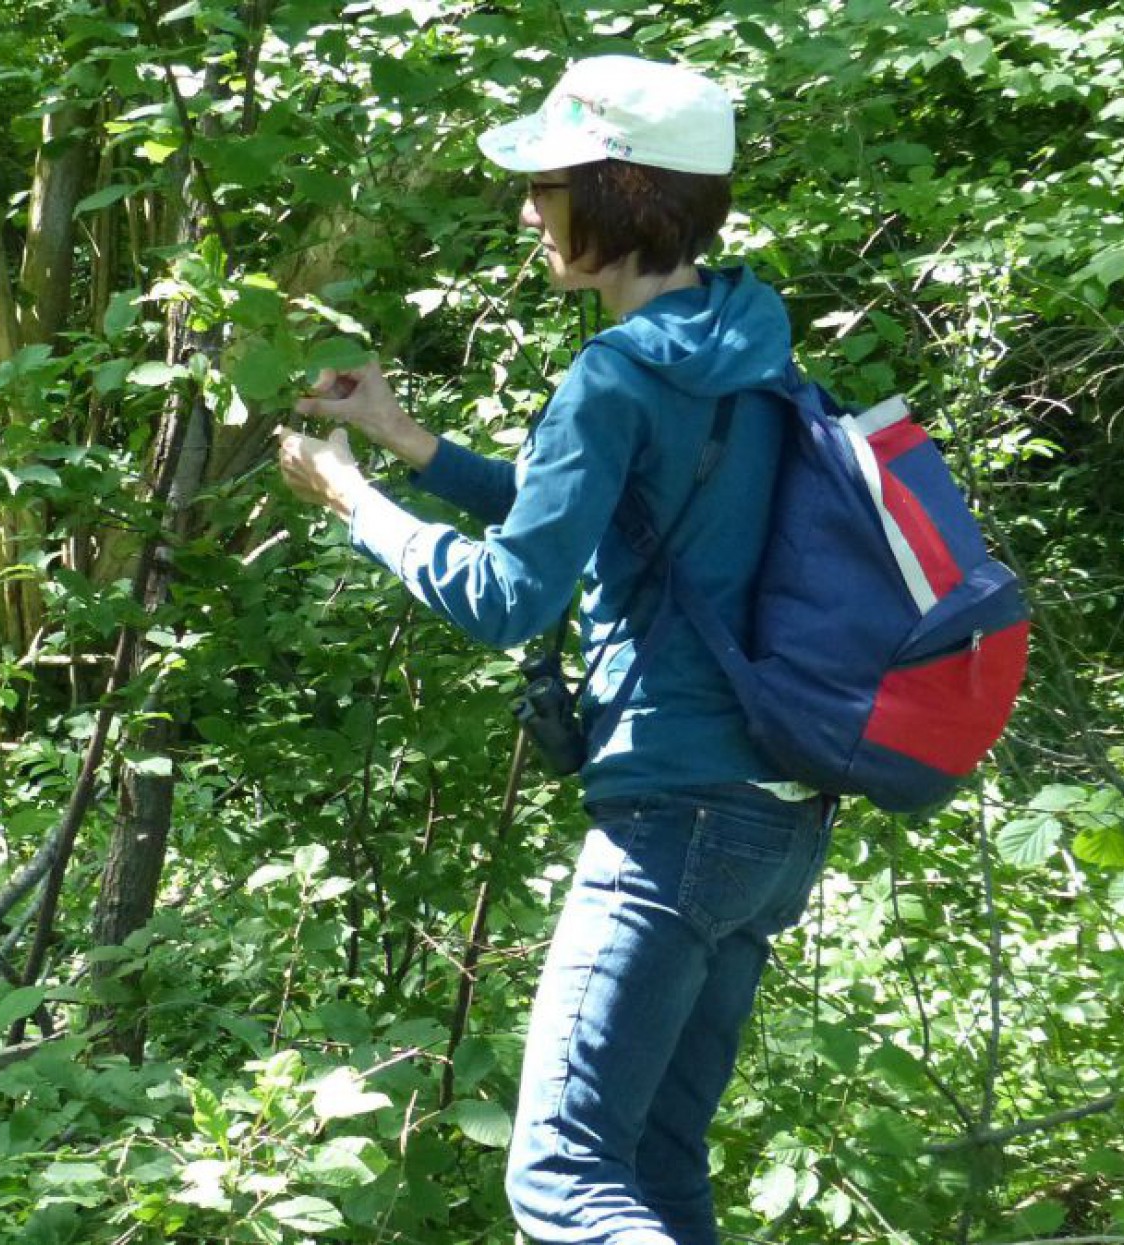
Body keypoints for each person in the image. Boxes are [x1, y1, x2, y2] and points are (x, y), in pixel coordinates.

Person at [275, 55, 834, 1245]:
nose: (530, 209)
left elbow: (509, 600)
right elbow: (606, 517)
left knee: (564, 1182)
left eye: (551, 184)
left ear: (620, 196)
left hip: (673, 813)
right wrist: (405, 439)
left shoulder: (613, 374)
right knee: (659, 1167)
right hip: (775, 818)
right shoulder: (749, 343)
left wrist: (355, 502)